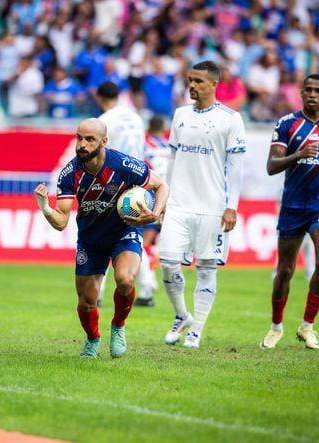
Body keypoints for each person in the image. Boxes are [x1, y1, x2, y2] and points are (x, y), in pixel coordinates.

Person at [34, 118, 168, 359]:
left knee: (125, 279)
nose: (82, 144)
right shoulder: (70, 173)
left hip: (123, 233)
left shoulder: (125, 164)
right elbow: (61, 221)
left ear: (104, 141)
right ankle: (92, 339)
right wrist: (45, 208)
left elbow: (161, 186)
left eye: (89, 139)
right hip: (91, 240)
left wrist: (155, 214)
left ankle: (118, 326)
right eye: (79, 138)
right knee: (87, 301)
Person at [260, 73, 319, 351]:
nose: (313, 94)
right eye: (309, 90)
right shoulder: (287, 125)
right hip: (292, 205)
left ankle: (307, 326)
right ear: (301, 94)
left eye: (318, 90)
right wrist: (298, 155)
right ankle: (276, 327)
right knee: (285, 271)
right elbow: (272, 166)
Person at [158, 60, 246, 349]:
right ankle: (182, 315)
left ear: (213, 84)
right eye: (190, 80)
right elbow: (172, 160)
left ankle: (196, 330)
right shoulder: (180, 114)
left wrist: (231, 206)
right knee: (169, 264)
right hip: (179, 205)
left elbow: (235, 167)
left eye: (197, 81)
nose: (191, 85)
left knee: (207, 268)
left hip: (213, 207)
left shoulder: (230, 119)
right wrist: (165, 198)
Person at [95, 80, 149, 307]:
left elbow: (100, 156)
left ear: (99, 98)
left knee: (103, 237)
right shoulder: (135, 116)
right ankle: (147, 290)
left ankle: (97, 293)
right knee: (133, 233)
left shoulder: (102, 121)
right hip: (137, 182)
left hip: (114, 183)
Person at [134, 114, 171, 307]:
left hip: (149, 199)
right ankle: (151, 281)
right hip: (169, 198)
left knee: (144, 242)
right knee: (155, 242)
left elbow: (142, 171)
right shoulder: (168, 146)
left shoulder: (144, 145)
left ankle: (148, 284)